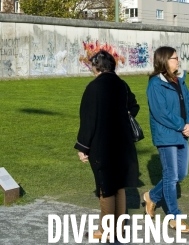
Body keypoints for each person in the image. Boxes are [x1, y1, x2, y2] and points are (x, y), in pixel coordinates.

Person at [75, 50, 139, 240]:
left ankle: (106, 231)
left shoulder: (94, 87)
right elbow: (134, 106)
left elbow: (88, 119)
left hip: (102, 143)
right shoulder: (122, 84)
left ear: (97, 66)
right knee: (119, 186)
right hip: (123, 142)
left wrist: (82, 146)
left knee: (106, 187)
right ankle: (118, 229)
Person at [143, 46, 189, 234]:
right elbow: (160, 113)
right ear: (164, 60)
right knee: (171, 175)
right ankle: (174, 216)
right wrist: (182, 124)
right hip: (166, 135)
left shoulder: (179, 81)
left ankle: (151, 196)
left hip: (182, 133)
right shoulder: (155, 84)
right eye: (175, 58)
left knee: (179, 175)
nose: (178, 61)